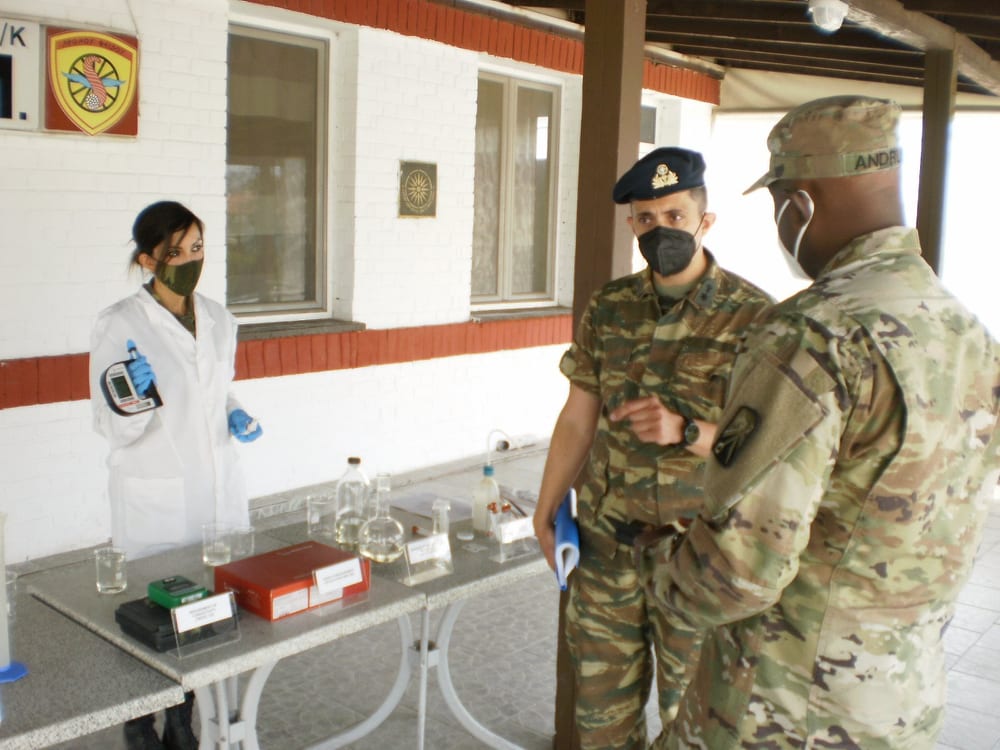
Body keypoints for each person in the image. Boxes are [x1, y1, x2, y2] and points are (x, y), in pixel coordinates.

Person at [637, 95, 1000, 749]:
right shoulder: (965, 331)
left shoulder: (813, 334)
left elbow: (740, 573)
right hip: (900, 705)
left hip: (782, 711)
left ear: (798, 205)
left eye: (779, 205)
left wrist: (656, 562)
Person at [533, 147, 774, 747]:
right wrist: (546, 507)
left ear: (704, 221)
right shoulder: (610, 308)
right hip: (606, 550)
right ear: (631, 225)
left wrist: (686, 431)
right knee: (601, 721)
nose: (660, 229)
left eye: (674, 216)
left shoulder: (754, 317)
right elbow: (577, 418)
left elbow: (769, 445)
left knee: (691, 724)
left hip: (696, 555)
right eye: (646, 219)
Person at [90, 200, 263, 750]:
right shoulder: (119, 324)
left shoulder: (219, 320)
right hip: (156, 491)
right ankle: (141, 723)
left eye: (197, 248)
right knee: (154, 613)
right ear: (147, 260)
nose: (191, 260)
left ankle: (185, 718)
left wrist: (235, 413)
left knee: (201, 610)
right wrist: (132, 397)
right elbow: (109, 424)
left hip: (215, 488)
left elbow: (217, 390)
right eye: (176, 252)